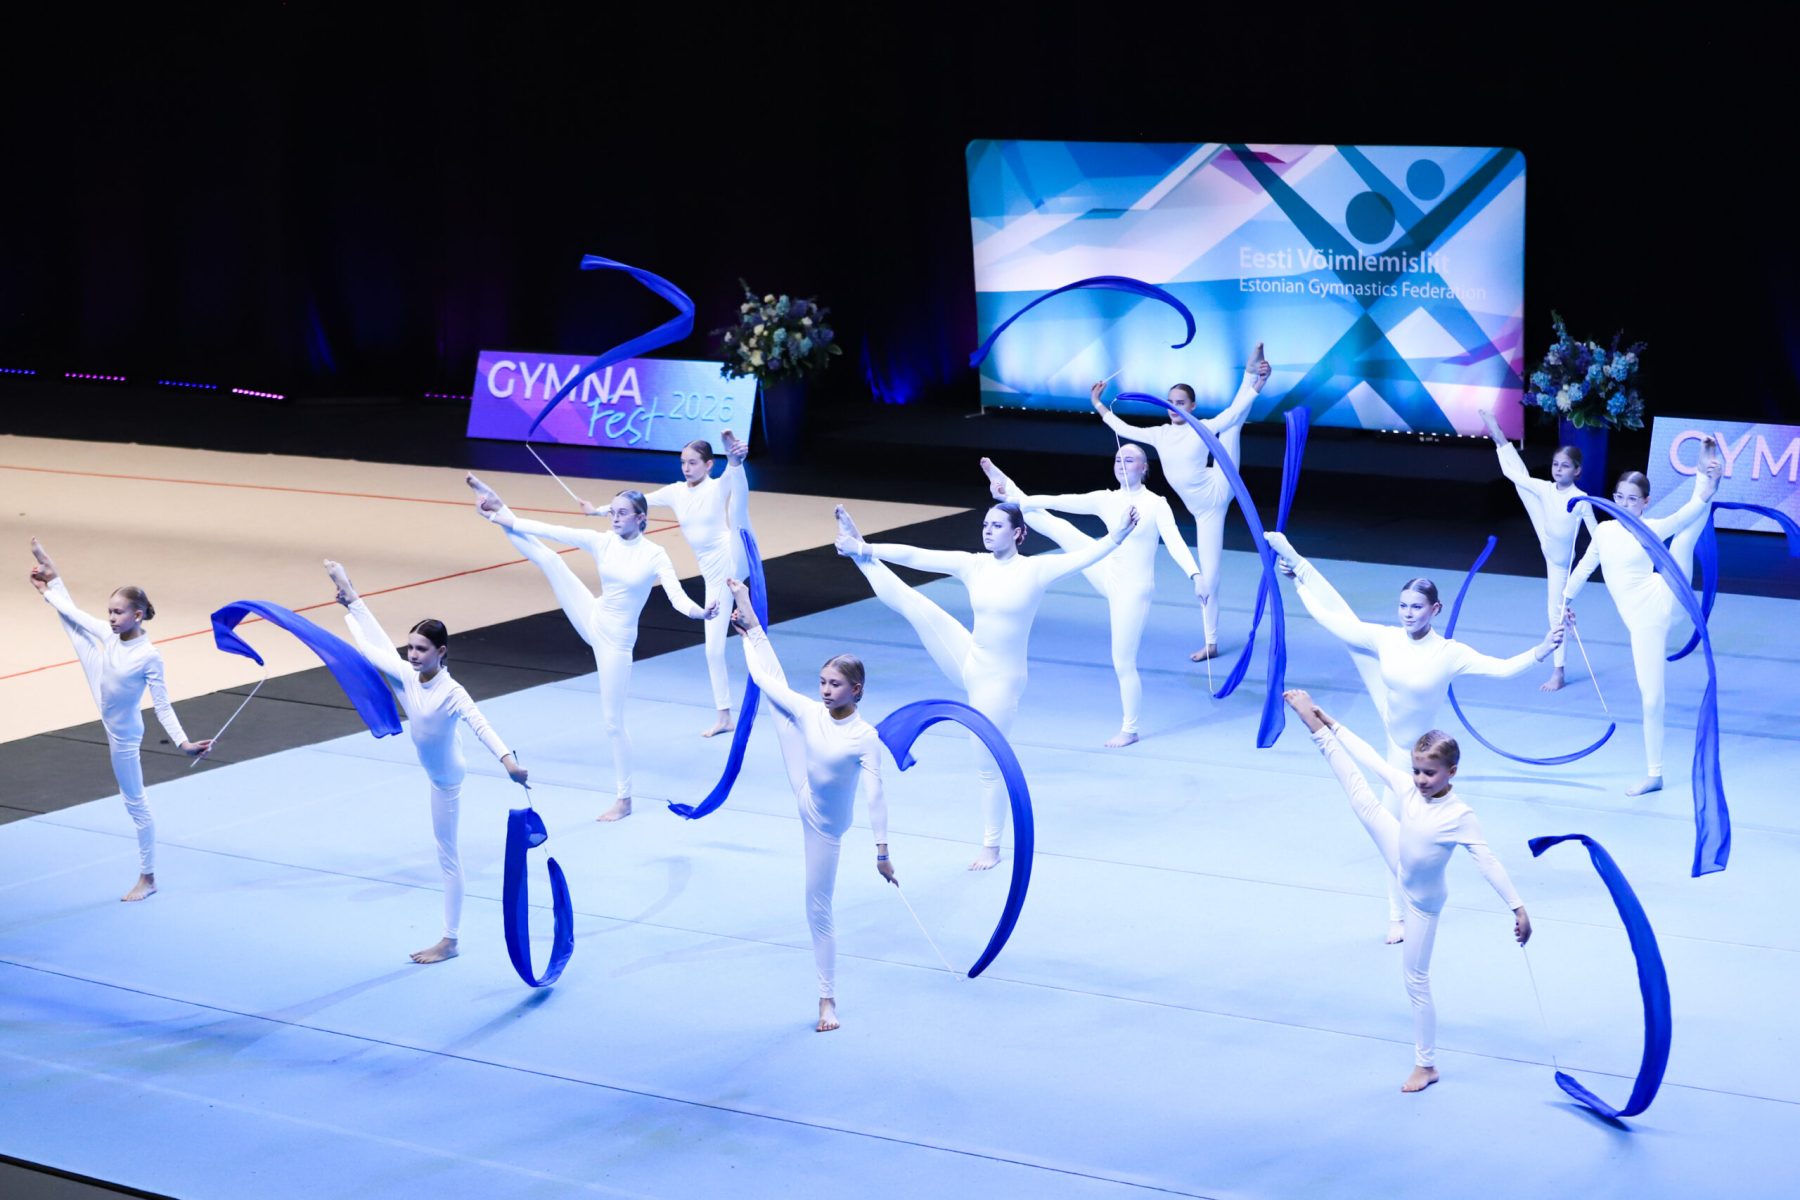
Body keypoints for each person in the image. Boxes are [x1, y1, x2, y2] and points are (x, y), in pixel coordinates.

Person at [1264, 531, 1562, 942]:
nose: (1408, 613)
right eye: (1403, 605)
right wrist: (1298, 583)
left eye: (1417, 607)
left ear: (1435, 610)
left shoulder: (1450, 654)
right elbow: (1335, 622)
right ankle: (1297, 560)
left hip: (1413, 755)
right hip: (1389, 716)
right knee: (1350, 630)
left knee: (1401, 839)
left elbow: (1503, 669)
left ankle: (1399, 913)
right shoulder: (1387, 638)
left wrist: (1543, 649)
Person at [834, 501, 1137, 869]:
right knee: (912, 603)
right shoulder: (975, 565)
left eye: (997, 525)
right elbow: (918, 555)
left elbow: (1085, 557)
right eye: (985, 525)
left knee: (987, 767)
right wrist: (866, 547)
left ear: (1018, 533)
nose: (988, 531)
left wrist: (1117, 535)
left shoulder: (1035, 570)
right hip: (969, 658)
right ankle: (858, 551)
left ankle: (991, 847)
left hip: (1000, 683)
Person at [1286, 688, 1531, 1094]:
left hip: (1422, 904)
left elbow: (1487, 862)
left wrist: (1518, 908)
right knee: (1362, 799)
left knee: (1415, 981)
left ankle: (1426, 1065)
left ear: (1452, 771)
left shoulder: (1460, 815)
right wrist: (1331, 723)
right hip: (1401, 859)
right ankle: (1316, 730)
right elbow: (1372, 760)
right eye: (1417, 771)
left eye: (1429, 773)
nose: (1420, 780)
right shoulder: (1409, 787)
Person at [465, 475, 715, 821]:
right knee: (552, 560)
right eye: (612, 512)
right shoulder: (603, 541)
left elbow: (677, 597)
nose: (614, 518)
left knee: (613, 723)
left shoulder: (655, 554)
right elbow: (550, 530)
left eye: (622, 513)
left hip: (617, 643)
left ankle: (624, 800)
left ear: (641, 517)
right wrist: (498, 514)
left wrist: (700, 612)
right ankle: (496, 502)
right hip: (593, 615)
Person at [323, 559, 529, 963]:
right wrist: (352, 607)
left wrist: (508, 763)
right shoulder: (407, 672)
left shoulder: (453, 692)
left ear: (441, 652)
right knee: (380, 656)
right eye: (411, 647)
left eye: (421, 649)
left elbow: (481, 725)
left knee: (447, 857)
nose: (413, 654)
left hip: (446, 778)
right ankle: (352, 595)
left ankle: (450, 941)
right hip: (417, 708)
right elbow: (376, 649)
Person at [724, 577, 888, 1032]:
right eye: (822, 682)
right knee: (777, 697)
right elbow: (763, 679)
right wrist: (748, 636)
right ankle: (752, 621)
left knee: (817, 907)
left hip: (825, 827)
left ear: (857, 690)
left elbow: (875, 794)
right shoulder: (811, 711)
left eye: (835, 684)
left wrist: (882, 851)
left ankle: (826, 1000)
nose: (826, 690)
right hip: (804, 785)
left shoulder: (865, 737)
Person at [978, 449, 1206, 747]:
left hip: (1132, 589)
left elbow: (1174, 541)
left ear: (1144, 468)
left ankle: (1130, 729)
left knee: (1123, 661)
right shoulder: (1106, 499)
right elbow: (1059, 501)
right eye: (1117, 460)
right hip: (1106, 567)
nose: (1121, 464)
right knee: (1055, 524)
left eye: (1129, 460)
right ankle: (1006, 490)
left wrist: (1195, 575)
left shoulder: (1156, 504)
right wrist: (1017, 501)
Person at [28, 539, 212, 901]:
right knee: (76, 629)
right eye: (109, 612)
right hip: (103, 691)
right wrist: (48, 591)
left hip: (123, 733)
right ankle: (54, 573)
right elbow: (78, 616)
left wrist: (184, 743)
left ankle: (148, 877)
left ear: (138, 615)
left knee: (136, 804)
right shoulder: (109, 635)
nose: (111, 618)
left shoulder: (149, 657)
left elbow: (162, 706)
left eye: (118, 613)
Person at [1093, 342, 1272, 662]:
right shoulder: (1160, 434)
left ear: (1192, 406)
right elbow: (1123, 427)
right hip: (1204, 512)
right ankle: (1211, 643)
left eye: (1181, 402)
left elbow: (1232, 413)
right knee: (1209, 578)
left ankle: (1250, 372)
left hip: (1221, 483)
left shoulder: (1200, 427)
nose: (1174, 407)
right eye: (1170, 402)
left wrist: (1256, 386)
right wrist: (1097, 403)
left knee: (1232, 426)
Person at [1563, 438, 1722, 795]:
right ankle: (1655, 774)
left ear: (1645, 502)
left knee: (1683, 540)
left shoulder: (1650, 527)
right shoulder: (1604, 531)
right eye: (1619, 497)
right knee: (1651, 698)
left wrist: (1704, 487)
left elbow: (1684, 515)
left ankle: (1708, 477)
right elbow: (1585, 566)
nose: (1623, 504)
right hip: (1643, 621)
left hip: (1667, 596)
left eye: (1632, 500)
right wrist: (1565, 601)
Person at [582, 432, 749, 738]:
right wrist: (598, 510)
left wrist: (734, 463)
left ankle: (735, 458)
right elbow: (637, 502)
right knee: (713, 650)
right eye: (683, 462)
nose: (686, 468)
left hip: (734, 555)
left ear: (709, 465)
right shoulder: (675, 492)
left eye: (693, 463)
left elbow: (731, 483)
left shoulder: (717, 486)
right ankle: (724, 717)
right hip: (714, 575)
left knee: (738, 513)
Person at [1479, 408, 1598, 691]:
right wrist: (1499, 444)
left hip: (1559, 562)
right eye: (1555, 464)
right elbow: (1511, 473)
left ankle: (1559, 671)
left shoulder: (1581, 499)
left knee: (1555, 613)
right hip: (1545, 531)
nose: (1558, 469)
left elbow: (1598, 537)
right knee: (1522, 483)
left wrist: (1579, 579)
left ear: (1577, 471)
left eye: (1565, 466)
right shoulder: (1546, 488)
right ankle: (1499, 436)